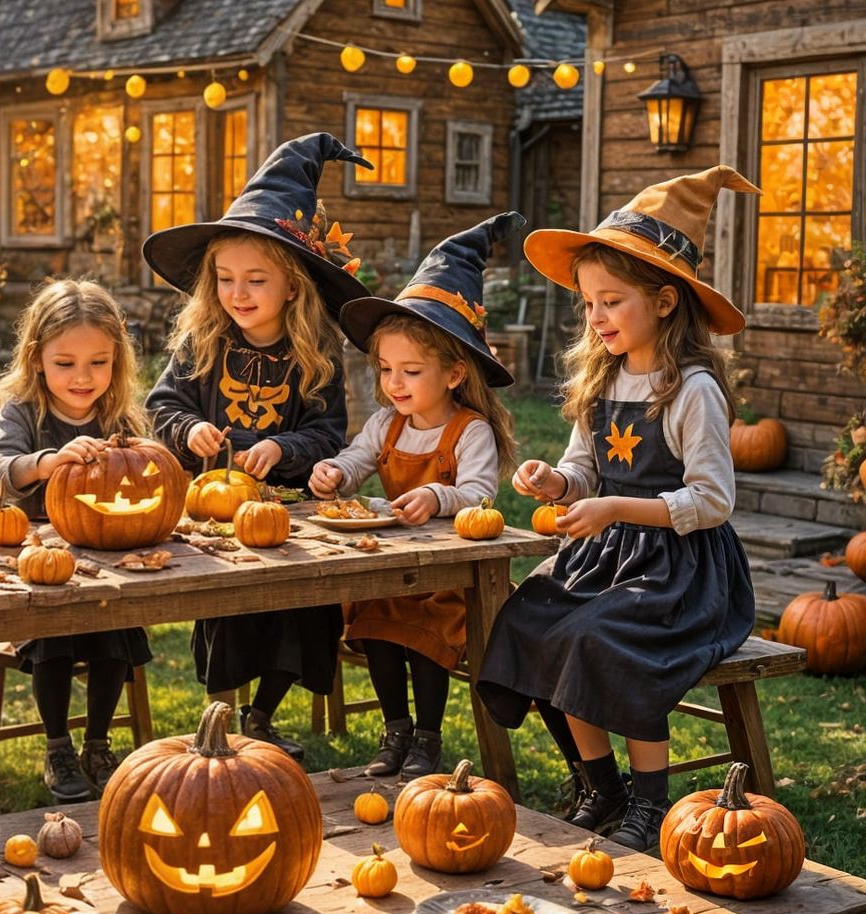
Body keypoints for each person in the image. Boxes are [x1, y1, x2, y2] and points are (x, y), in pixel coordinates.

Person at [477, 167, 758, 853]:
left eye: (612, 301)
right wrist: (558, 483)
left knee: (603, 637)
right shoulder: (604, 380)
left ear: (665, 302)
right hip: (612, 556)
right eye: (589, 304)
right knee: (534, 614)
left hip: (685, 572)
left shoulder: (691, 389)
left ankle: (650, 802)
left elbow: (714, 502)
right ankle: (600, 784)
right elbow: (584, 470)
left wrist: (612, 508)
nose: (597, 318)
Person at [145, 132, 369, 759]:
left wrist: (284, 449)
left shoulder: (315, 354)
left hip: (288, 511)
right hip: (216, 510)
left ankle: (264, 712)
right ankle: (229, 712)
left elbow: (328, 434)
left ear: (292, 286)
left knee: (302, 608)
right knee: (234, 605)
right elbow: (161, 404)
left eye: (255, 280)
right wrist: (188, 430)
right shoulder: (203, 345)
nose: (238, 294)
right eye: (224, 279)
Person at [312, 215, 522, 779]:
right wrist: (334, 473)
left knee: (424, 632)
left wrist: (436, 494)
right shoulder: (387, 424)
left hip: (445, 576)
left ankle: (427, 737)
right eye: (385, 370)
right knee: (376, 621)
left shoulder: (469, 430)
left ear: (455, 373)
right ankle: (394, 729)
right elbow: (357, 461)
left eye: (410, 371)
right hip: (394, 566)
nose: (395, 383)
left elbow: (478, 494)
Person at [0, 279, 153, 801]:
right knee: (55, 634)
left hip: (105, 562)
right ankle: (58, 746)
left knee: (112, 631)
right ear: (37, 360)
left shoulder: (117, 417)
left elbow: (149, 480)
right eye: (66, 363)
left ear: (116, 361)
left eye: (98, 363)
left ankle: (97, 742)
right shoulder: (23, 415)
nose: (83, 377)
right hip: (40, 567)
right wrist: (46, 463)